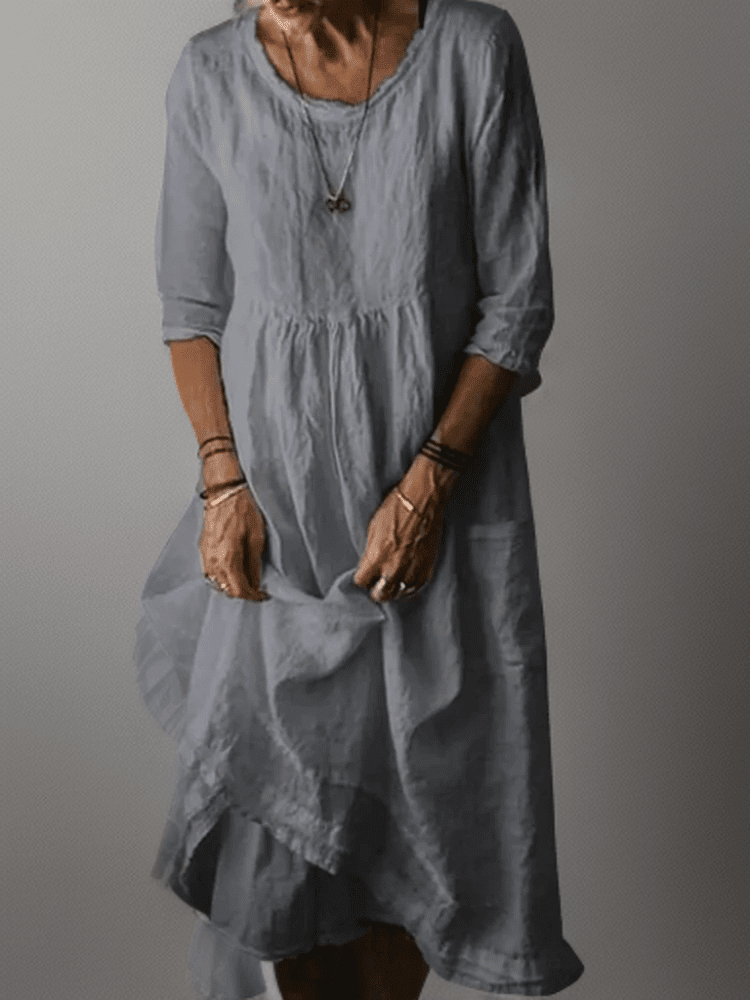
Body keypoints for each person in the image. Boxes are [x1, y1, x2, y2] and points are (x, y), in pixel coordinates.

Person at [134, 0, 585, 998]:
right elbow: (191, 306)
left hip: (442, 511)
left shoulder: (470, 53)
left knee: (422, 824)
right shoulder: (211, 75)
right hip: (280, 521)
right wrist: (222, 480)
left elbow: (518, 301)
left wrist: (429, 485)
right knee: (287, 843)